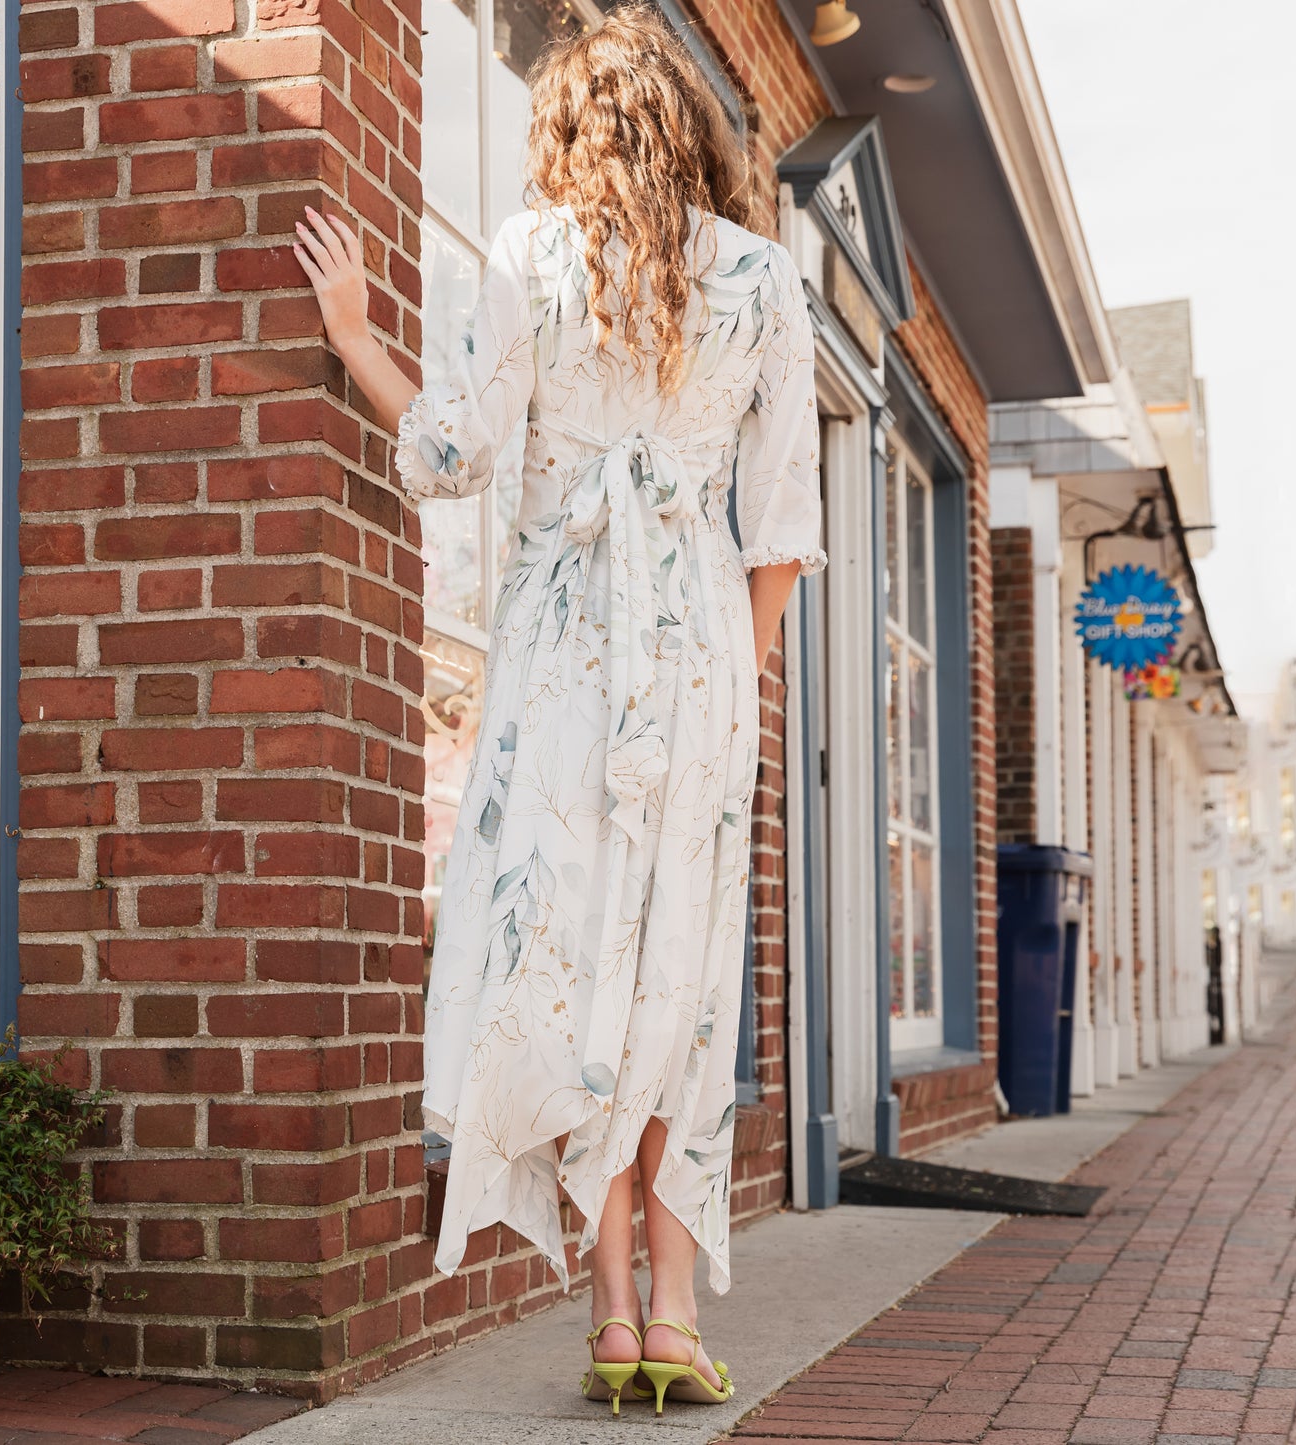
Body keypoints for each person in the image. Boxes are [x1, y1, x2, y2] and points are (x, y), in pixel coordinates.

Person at [293, 3, 826, 1416]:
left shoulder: (530, 259)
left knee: (567, 959)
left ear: (561, 137)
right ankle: (676, 1307)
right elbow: (778, 526)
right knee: (678, 978)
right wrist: (737, 686)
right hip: (703, 654)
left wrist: (355, 337)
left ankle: (604, 1315)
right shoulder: (769, 283)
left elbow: (452, 451)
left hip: (556, 655)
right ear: (694, 137)